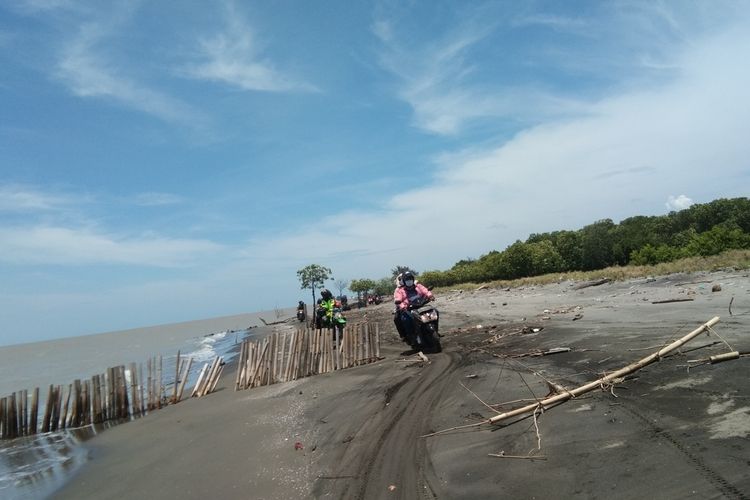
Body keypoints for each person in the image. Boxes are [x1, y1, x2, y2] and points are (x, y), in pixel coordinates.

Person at [393, 271, 433, 343]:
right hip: (408, 308)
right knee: (405, 319)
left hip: (421, 305)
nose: (409, 281)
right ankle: (411, 336)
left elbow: (425, 290)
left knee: (434, 311)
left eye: (410, 278)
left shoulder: (418, 286)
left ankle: (434, 328)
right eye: (407, 279)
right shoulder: (399, 290)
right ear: (403, 281)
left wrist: (430, 295)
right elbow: (398, 299)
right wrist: (402, 306)